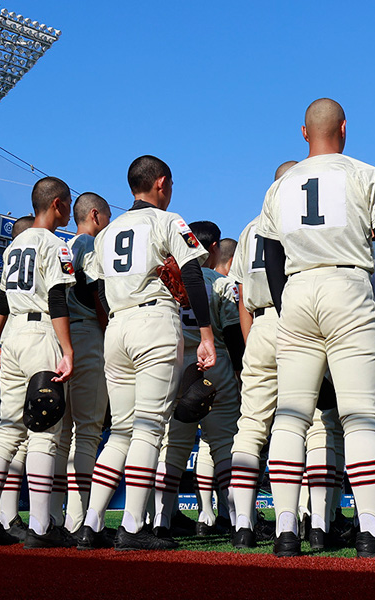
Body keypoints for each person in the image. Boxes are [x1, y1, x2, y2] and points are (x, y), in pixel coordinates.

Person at [257, 98, 375, 558]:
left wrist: (285, 303)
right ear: (344, 129)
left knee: (290, 417)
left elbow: (271, 256)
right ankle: (371, 530)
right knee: (359, 413)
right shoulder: (365, 173)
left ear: (304, 133)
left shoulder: (280, 185)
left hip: (296, 291)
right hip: (346, 285)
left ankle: (286, 531)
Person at [77, 155, 215, 551]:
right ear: (161, 183)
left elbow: (99, 291)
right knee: (149, 428)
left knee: (119, 431)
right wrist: (205, 334)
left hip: (116, 326)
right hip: (153, 321)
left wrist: (115, 326)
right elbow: (191, 273)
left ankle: (91, 523)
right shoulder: (167, 220)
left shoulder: (108, 230)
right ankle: (134, 527)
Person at [0, 176, 77, 549]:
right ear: (58, 205)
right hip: (39, 336)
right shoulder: (55, 244)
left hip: (12, 336)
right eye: (66, 203)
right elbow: (57, 301)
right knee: (44, 432)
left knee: (7, 431)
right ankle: (39, 526)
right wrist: (67, 349)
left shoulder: (13, 245)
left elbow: (1, 302)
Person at [153, 220, 244, 539]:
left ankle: (161, 521)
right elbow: (233, 331)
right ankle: (238, 521)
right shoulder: (218, 282)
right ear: (213, 248)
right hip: (214, 358)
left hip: (176, 361)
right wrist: (239, 371)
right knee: (223, 445)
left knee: (172, 446)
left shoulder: (167, 281)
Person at [229, 160, 298, 548]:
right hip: (295, 323)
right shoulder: (297, 220)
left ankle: (243, 524)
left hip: (258, 325)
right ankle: (304, 521)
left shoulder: (248, 228)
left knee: (250, 427)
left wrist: (251, 337)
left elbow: (241, 294)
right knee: (307, 424)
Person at [48, 192, 112, 533]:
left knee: (62, 434)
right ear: (95, 215)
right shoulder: (90, 243)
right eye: (107, 217)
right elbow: (93, 292)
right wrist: (110, 326)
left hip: (60, 337)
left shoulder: (63, 246)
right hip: (87, 334)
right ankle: (79, 519)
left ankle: (54, 517)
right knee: (87, 432)